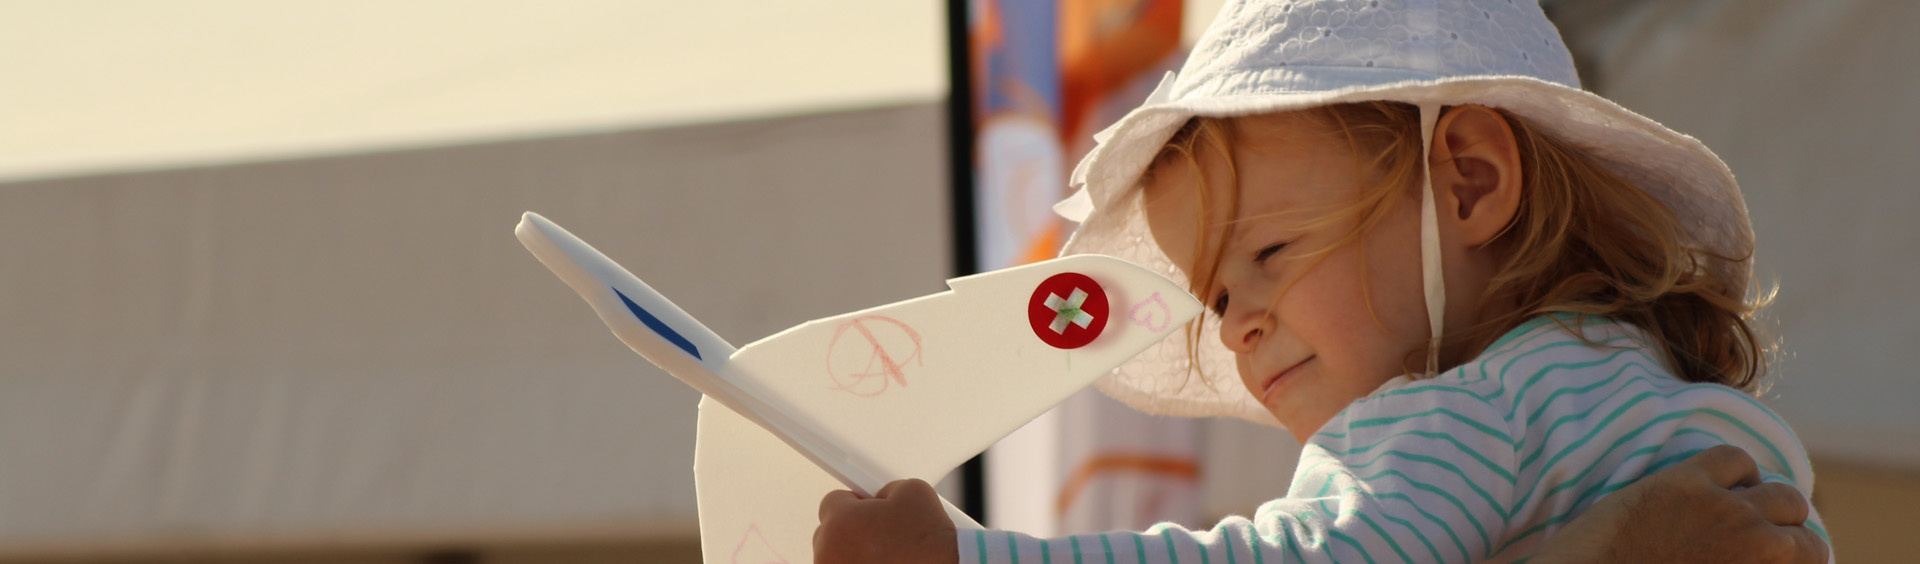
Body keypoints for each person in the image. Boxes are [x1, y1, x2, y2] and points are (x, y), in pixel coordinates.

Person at [819, 0, 1833, 562]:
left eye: (1268, 255)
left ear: (1471, 182)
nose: (1237, 329)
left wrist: (971, 560)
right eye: (1217, 298)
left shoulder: (1456, 416)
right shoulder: (1664, 398)